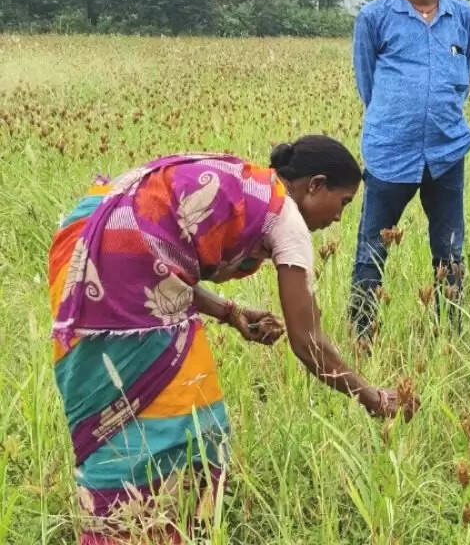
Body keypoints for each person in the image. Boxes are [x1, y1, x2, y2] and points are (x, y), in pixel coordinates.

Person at [48, 136, 397, 543]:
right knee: (194, 428)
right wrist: (371, 396)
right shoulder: (287, 219)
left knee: (120, 414)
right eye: (343, 203)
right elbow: (309, 343)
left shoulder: (250, 187)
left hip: (85, 245)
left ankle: (120, 523)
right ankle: (152, 530)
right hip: (115, 260)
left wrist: (231, 314)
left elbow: (158, 262)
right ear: (314, 185)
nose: (339, 218)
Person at [349, 0, 470, 347]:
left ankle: (450, 337)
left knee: (450, 249)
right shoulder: (374, 17)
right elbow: (367, 84)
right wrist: (398, 118)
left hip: (446, 151)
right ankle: (363, 336)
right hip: (390, 152)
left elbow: (465, 76)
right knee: (372, 248)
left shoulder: (464, 16)